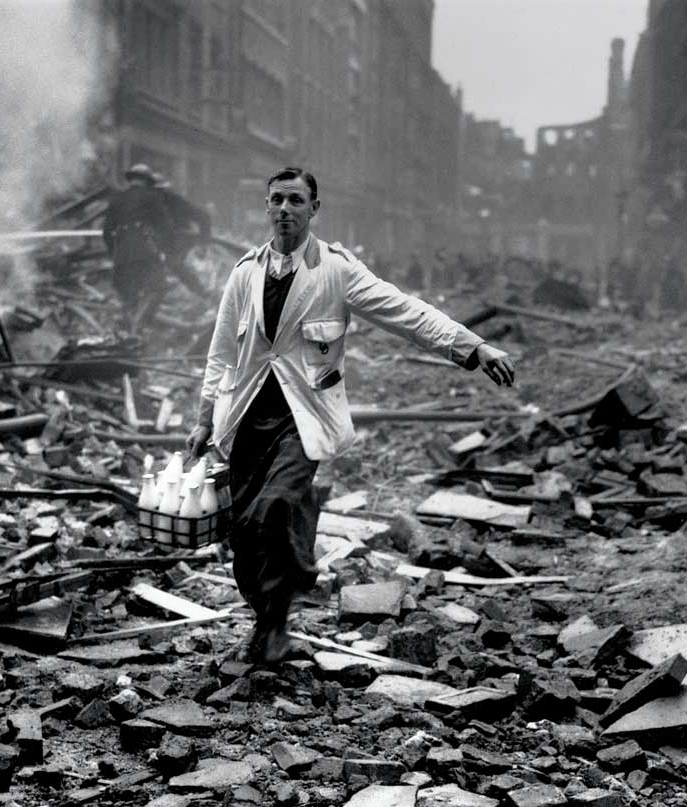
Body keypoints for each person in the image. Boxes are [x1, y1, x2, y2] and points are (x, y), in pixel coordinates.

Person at [185, 167, 515, 664]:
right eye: (277, 200)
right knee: (245, 533)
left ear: (314, 209)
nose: (285, 210)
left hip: (304, 418)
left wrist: (472, 346)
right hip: (247, 417)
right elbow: (220, 354)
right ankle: (266, 615)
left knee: (273, 508)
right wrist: (204, 417)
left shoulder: (335, 270)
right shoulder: (245, 274)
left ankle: (277, 618)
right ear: (266, 206)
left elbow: (405, 311)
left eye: (296, 201)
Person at [102, 163, 207, 330]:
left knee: (129, 298)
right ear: (146, 181)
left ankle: (126, 335)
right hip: (144, 254)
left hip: (121, 258)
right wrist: (168, 250)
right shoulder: (151, 197)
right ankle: (138, 329)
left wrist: (115, 254)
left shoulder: (117, 199)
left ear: (131, 180)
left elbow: (107, 233)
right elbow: (165, 228)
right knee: (159, 288)